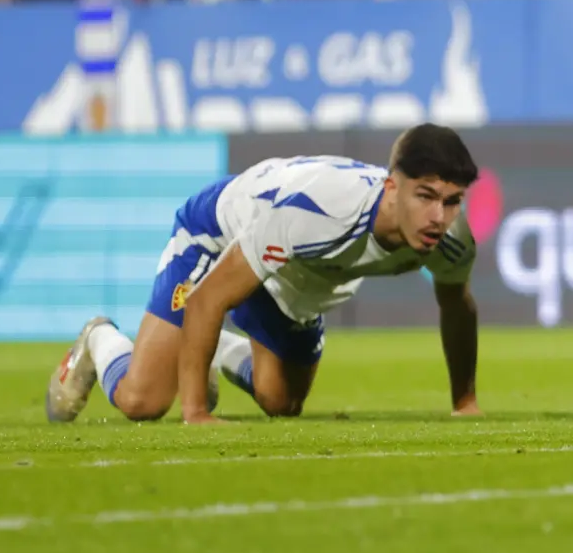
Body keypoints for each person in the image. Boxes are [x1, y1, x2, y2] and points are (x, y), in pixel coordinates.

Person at [45, 125, 483, 424]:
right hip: (220, 235)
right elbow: (208, 299)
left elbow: (456, 304)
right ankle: (99, 337)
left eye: (451, 201)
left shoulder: (453, 235)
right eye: (425, 196)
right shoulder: (318, 212)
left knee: (282, 403)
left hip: (296, 275)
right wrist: (196, 414)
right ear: (392, 187)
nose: (437, 216)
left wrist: (464, 403)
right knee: (143, 401)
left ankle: (207, 347)